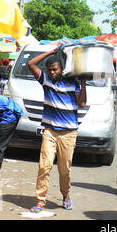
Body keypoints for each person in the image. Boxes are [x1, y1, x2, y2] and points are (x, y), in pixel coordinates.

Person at [28, 48, 87, 213]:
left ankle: (66, 195)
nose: (52, 72)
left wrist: (83, 83)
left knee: (64, 169)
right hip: (50, 132)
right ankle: (40, 201)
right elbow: (30, 63)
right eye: (49, 70)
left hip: (68, 133)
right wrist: (50, 52)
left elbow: (81, 104)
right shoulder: (45, 80)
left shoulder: (73, 83)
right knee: (44, 166)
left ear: (62, 69)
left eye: (55, 69)